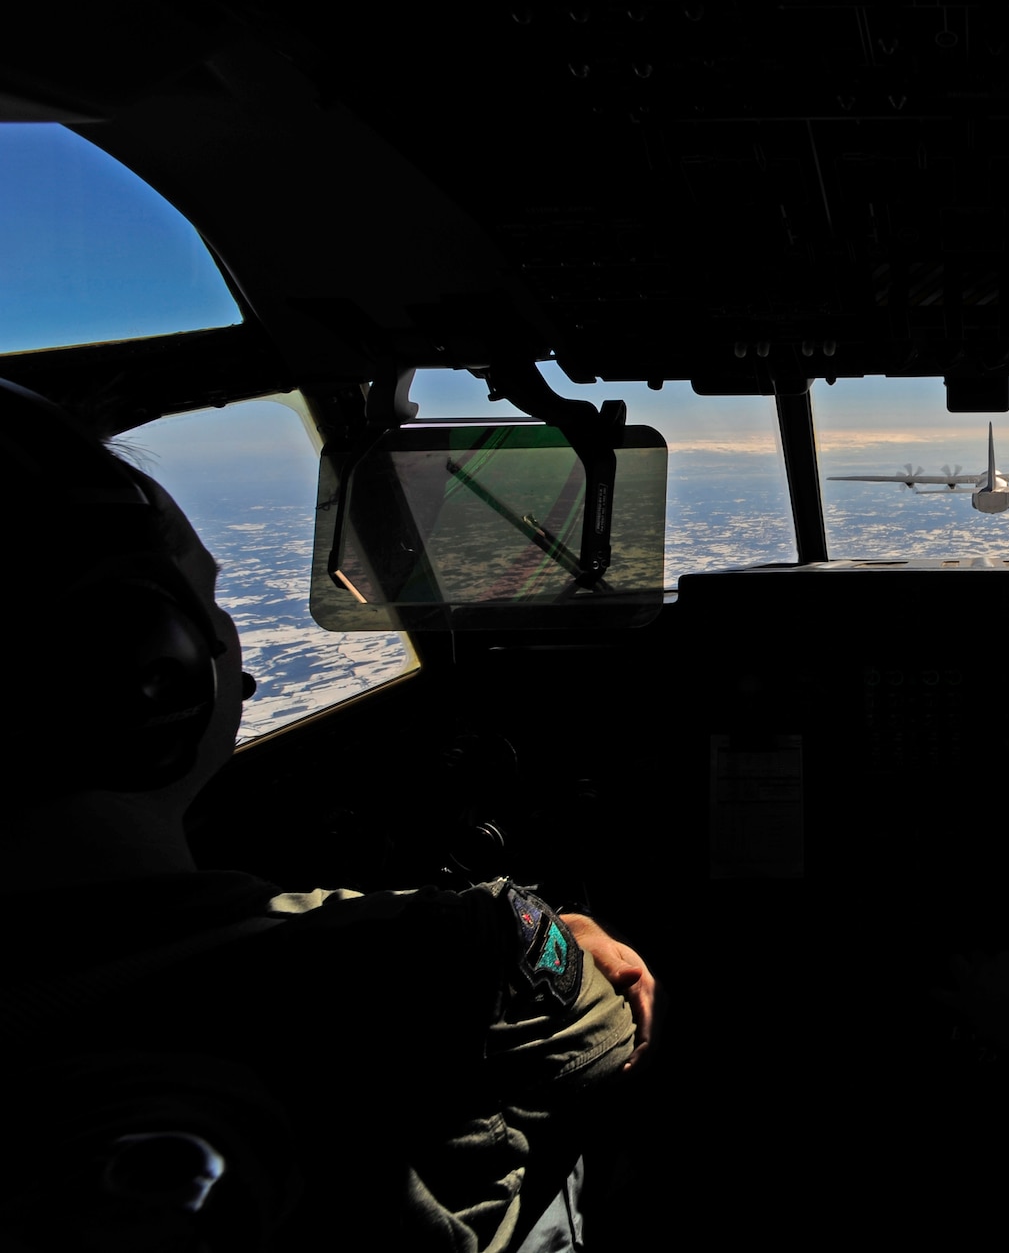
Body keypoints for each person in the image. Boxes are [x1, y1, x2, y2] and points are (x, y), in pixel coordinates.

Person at [0, 376, 656, 1253]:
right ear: (148, 664)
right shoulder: (436, 950)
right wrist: (550, 924)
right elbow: (605, 1025)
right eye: (206, 600)